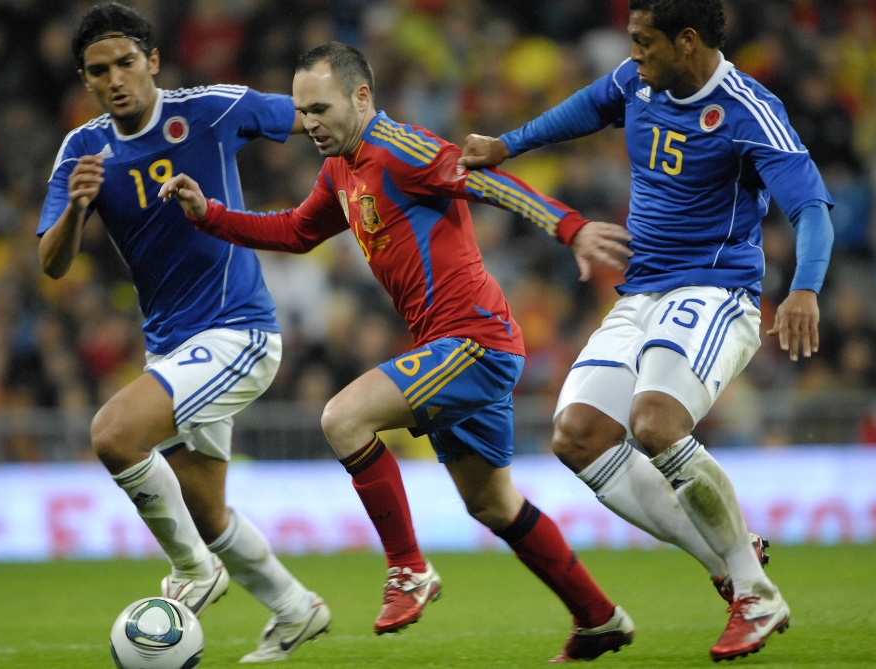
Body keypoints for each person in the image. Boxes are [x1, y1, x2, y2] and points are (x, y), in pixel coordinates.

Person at [160, 41, 636, 662]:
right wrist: (210, 215)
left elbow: (488, 182)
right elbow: (298, 231)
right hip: (450, 347)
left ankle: (408, 568)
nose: (309, 124)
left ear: (361, 97)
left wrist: (569, 227)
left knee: (343, 418)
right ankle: (599, 619)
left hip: (475, 341)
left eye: (321, 109)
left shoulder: (402, 149)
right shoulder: (341, 168)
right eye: (303, 112)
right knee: (493, 504)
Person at [458, 0, 835, 662]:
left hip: (715, 290)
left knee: (656, 423)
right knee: (577, 435)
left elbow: (810, 207)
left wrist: (804, 286)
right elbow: (586, 107)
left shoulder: (747, 109)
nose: (632, 54)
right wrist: (507, 145)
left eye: (643, 41)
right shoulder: (638, 81)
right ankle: (732, 562)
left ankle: (756, 595)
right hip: (641, 293)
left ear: (687, 41)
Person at [38, 3, 329, 663]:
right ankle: (295, 608)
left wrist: (376, 139)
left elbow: (311, 115)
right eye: (98, 71)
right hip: (171, 345)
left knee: (114, 434)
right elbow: (51, 264)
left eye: (125, 63)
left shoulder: (211, 110)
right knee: (205, 511)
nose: (114, 79)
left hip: (238, 331)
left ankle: (194, 571)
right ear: (85, 80)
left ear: (153, 61)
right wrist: (78, 208)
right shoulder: (82, 150)